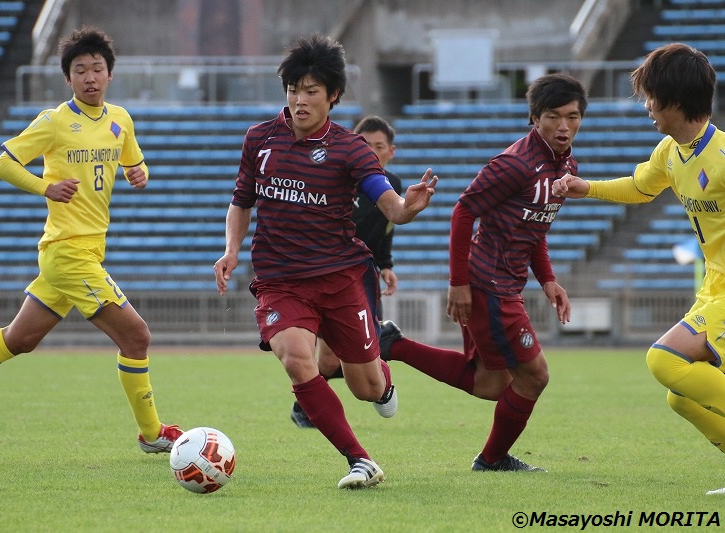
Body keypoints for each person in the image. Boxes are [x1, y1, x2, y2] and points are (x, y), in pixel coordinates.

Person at [0, 26, 182, 453]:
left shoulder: (121, 119)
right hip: (68, 253)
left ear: (109, 75)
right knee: (137, 336)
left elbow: (136, 165)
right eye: (80, 70)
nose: (90, 77)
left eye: (97, 69)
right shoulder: (54, 121)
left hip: (83, 252)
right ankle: (152, 434)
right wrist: (44, 187)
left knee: (20, 339)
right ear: (68, 79)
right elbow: (3, 165)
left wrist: (141, 174)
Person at [213, 33, 437, 489]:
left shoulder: (350, 149)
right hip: (280, 281)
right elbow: (241, 202)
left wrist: (408, 207)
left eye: (311, 91)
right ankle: (360, 460)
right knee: (298, 360)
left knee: (366, 388)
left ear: (332, 96)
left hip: (339, 279)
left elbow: (390, 206)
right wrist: (231, 249)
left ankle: (384, 375)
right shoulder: (259, 139)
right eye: (293, 89)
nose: (299, 99)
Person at [381, 73, 586, 472]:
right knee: (534, 377)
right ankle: (491, 460)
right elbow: (463, 211)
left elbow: (534, 228)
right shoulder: (516, 163)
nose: (564, 126)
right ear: (535, 118)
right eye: (554, 116)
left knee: (490, 383)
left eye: (573, 116)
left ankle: (396, 346)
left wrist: (547, 279)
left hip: (503, 283)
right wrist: (458, 283)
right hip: (489, 285)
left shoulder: (565, 165)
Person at [552, 43, 725, 495]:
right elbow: (639, 187)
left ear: (674, 99)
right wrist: (584, 188)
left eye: (651, 97)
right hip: (713, 287)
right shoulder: (670, 152)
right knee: (682, 395)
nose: (646, 106)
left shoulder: (723, 157)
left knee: (664, 359)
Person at [290, 115, 403, 429]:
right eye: (364, 144)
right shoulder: (335, 177)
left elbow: (387, 227)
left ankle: (378, 351)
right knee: (327, 360)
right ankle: (307, 403)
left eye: (378, 146)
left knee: (343, 359)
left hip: (363, 272)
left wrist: (387, 264)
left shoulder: (391, 185)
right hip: (329, 270)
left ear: (390, 151)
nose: (371, 151)